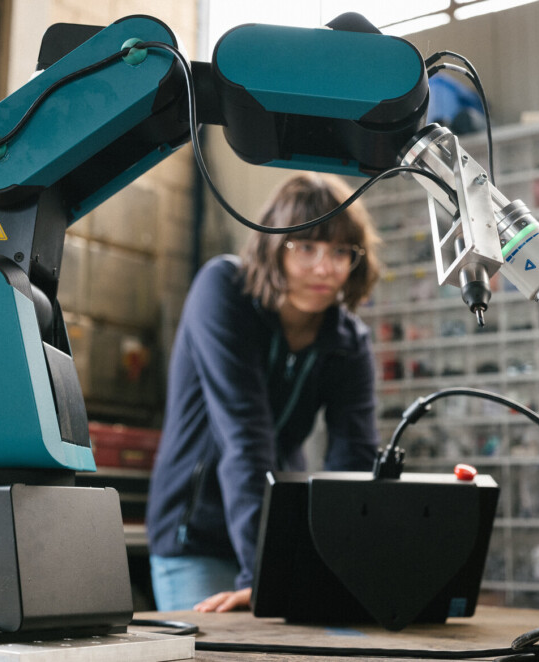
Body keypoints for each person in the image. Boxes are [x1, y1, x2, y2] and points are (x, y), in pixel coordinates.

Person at [146, 173, 383, 613]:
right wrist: (264, 577)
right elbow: (245, 439)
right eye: (306, 247)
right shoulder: (223, 292)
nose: (323, 268)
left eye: (340, 252)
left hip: (280, 534)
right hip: (195, 533)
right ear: (274, 247)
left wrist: (347, 568)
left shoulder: (349, 342)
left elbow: (354, 462)